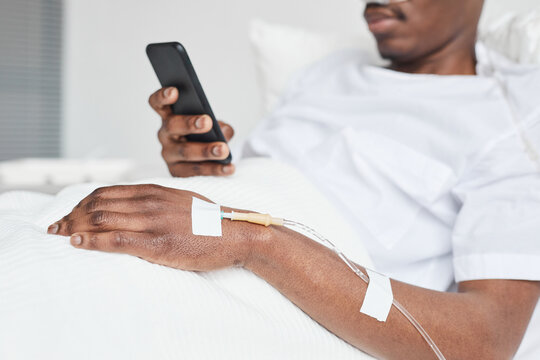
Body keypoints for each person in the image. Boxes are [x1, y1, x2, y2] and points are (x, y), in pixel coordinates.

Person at [48, 0, 540, 358]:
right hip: (171, 234)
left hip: (251, 292)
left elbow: (489, 339)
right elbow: (264, 189)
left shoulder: (512, 117)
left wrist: (249, 237)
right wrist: (204, 173)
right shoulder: (326, 73)